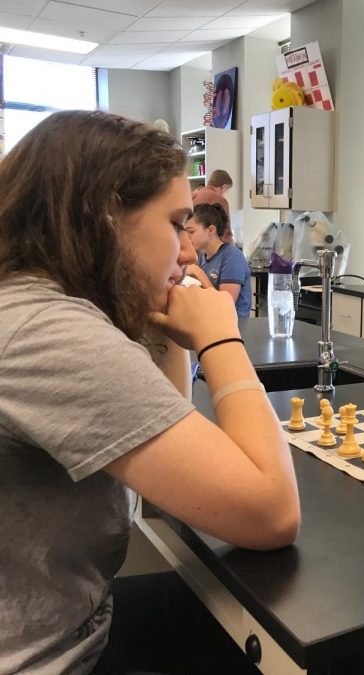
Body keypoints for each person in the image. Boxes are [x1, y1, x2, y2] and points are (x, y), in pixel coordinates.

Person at [0, 111, 300, 674]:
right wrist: (220, 338)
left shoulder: (29, 301)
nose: (189, 253)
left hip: (76, 627)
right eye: (175, 224)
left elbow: (169, 441)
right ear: (104, 217)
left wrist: (167, 320)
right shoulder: (47, 333)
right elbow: (271, 512)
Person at [186, 202, 252, 318]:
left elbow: (225, 305)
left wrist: (198, 272)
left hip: (233, 327)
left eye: (191, 232)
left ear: (211, 230)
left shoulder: (232, 256)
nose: (187, 237)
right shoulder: (202, 255)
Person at [192, 168, 234, 244]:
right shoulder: (220, 199)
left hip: (193, 244)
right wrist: (233, 251)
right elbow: (226, 232)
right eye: (227, 190)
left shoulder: (194, 195)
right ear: (223, 187)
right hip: (209, 247)